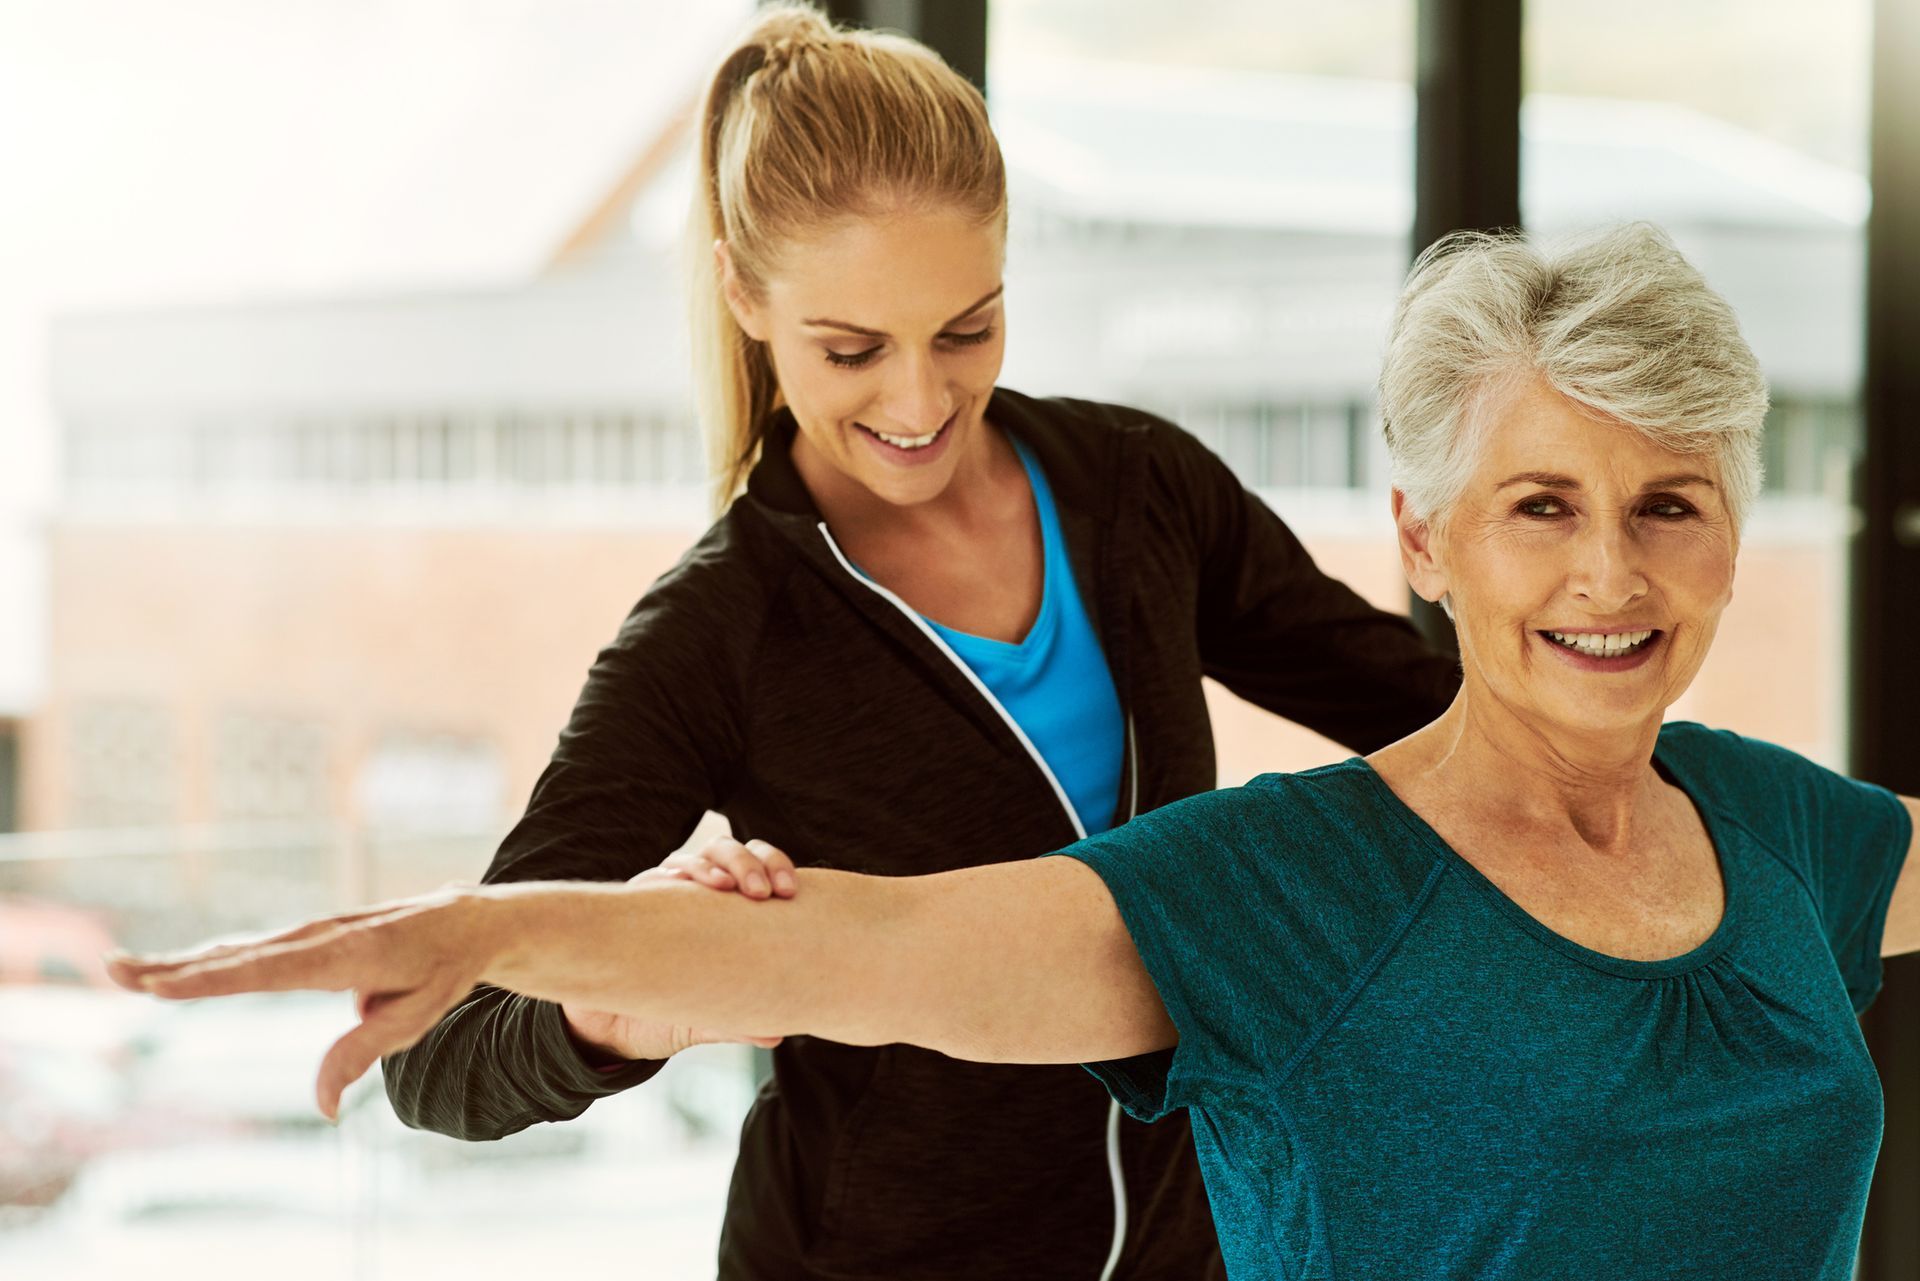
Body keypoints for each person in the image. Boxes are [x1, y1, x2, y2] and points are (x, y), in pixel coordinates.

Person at [111, 222, 1920, 1280]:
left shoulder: (1791, 837)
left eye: (1670, 504)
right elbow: (865, 949)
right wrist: (496, 935)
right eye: (1541, 505)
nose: (1612, 571)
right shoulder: (1291, 884)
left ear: (1737, 528)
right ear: (1428, 541)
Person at [275, 6, 1459, 1280]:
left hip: (1185, 1247)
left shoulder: (1141, 491)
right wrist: (608, 1011)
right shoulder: (716, 635)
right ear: (743, 292)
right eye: (852, 350)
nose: (919, 401)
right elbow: (441, 1059)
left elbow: (1445, 720)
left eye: (967, 329)